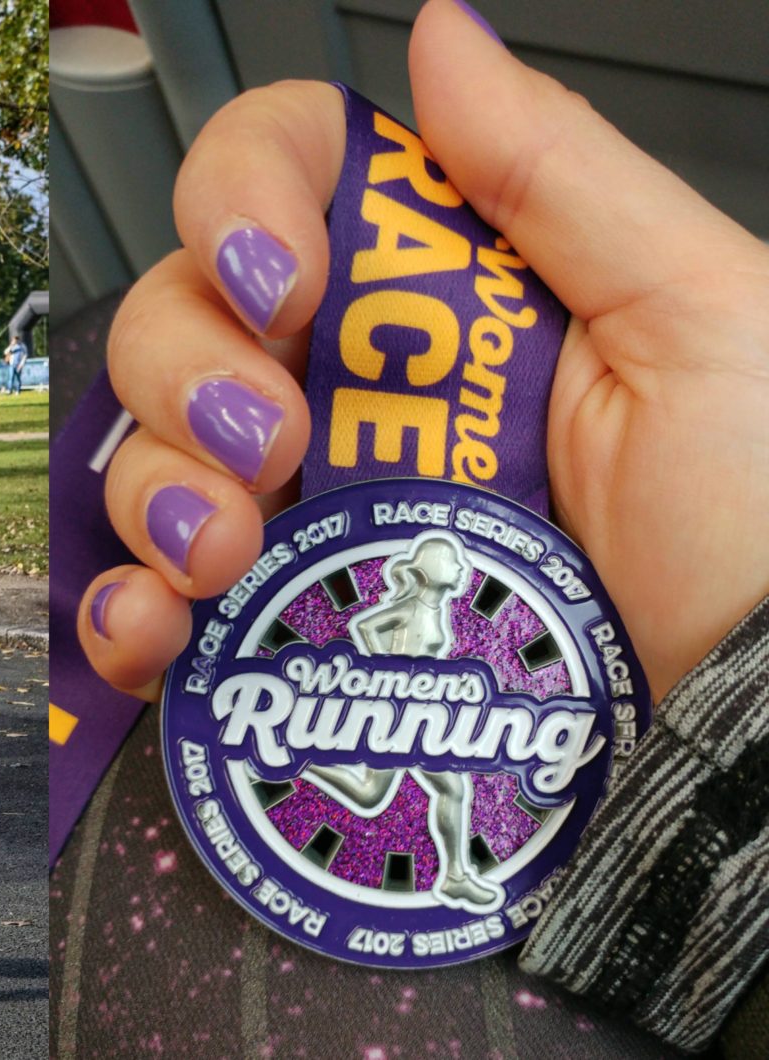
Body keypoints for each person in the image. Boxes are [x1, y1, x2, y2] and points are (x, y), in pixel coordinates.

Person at [69, 1, 769, 1055]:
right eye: (435, 571)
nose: (437, 576)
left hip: (465, 724)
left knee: (435, 789)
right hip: (413, 702)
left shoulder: (431, 597)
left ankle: (400, 821)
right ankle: (350, 777)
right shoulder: (407, 593)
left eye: (439, 571)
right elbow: (392, 597)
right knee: (391, 772)